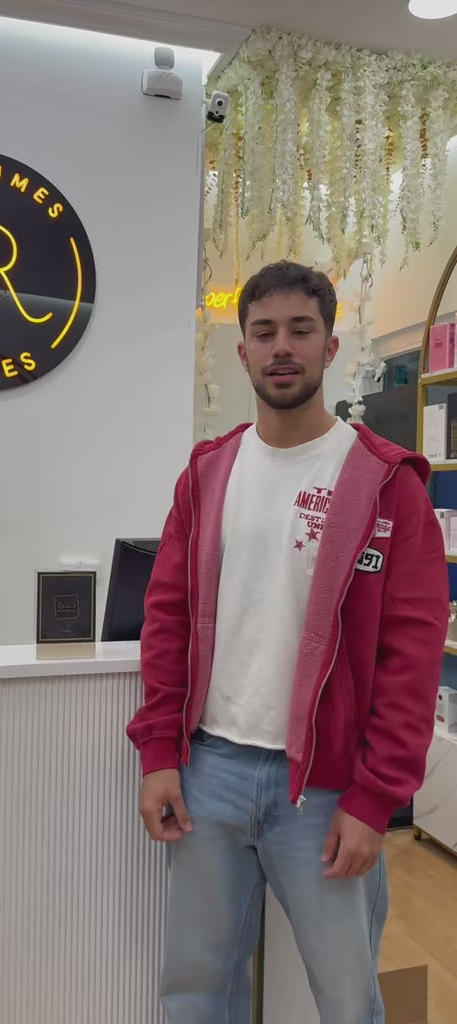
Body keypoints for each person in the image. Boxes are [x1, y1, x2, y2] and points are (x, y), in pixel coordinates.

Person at [127, 261, 448, 1024]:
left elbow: (411, 657)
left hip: (327, 790)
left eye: (300, 331)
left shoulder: (387, 483)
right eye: (263, 331)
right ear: (241, 350)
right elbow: (166, 618)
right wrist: (160, 754)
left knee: (346, 1000)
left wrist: (375, 798)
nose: (281, 347)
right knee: (195, 991)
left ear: (330, 347)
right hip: (209, 775)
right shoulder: (208, 474)